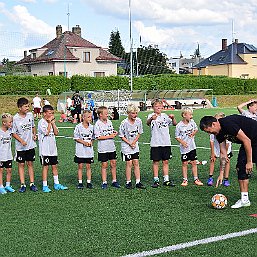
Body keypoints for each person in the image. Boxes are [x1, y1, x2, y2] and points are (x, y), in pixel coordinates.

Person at [200, 114, 257, 209]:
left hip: (253, 139)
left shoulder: (228, 124)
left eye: (209, 131)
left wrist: (249, 162)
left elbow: (247, 140)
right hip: (248, 142)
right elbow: (223, 154)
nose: (210, 134)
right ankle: (245, 200)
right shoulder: (218, 134)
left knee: (244, 164)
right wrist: (221, 173)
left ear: (214, 124)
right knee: (241, 168)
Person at [146, 99, 177, 188]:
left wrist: (172, 118)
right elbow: (147, 123)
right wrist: (152, 118)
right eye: (156, 106)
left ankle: (166, 179)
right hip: (156, 143)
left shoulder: (165, 116)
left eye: (160, 106)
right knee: (156, 161)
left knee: (166, 161)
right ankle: (156, 180)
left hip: (166, 142)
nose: (159, 107)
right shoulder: (151, 115)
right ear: (153, 107)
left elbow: (174, 124)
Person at [38, 105, 68, 193]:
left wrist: (53, 123)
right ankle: (45, 185)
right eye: (49, 113)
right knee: (46, 167)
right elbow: (46, 133)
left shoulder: (51, 122)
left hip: (53, 149)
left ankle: (57, 183)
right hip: (45, 150)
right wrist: (49, 123)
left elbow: (56, 133)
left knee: (54, 166)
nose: (51, 115)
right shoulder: (41, 122)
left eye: (52, 113)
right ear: (44, 114)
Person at [12, 97, 38, 193]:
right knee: (21, 164)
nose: (27, 108)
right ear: (19, 107)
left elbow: (32, 126)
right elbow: (13, 133)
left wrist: (34, 134)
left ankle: (32, 183)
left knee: (30, 164)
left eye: (28, 106)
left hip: (30, 145)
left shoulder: (30, 115)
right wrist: (21, 141)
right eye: (25, 106)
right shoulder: (15, 118)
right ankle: (23, 184)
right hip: (20, 147)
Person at [119, 104, 145, 189]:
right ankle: (128, 182)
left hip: (134, 145)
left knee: (136, 162)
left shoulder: (139, 121)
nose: (135, 115)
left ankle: (138, 182)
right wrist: (130, 143)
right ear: (128, 113)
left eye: (136, 113)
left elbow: (139, 133)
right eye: (133, 113)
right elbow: (122, 136)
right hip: (126, 146)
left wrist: (134, 142)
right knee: (129, 163)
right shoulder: (124, 123)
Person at [175, 107, 203, 186]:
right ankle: (185, 179)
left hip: (192, 147)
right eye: (190, 115)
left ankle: (196, 179)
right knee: (185, 163)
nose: (192, 116)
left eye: (192, 114)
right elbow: (177, 137)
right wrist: (182, 142)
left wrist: (193, 133)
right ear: (184, 115)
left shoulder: (192, 122)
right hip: (184, 149)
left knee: (194, 162)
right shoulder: (179, 126)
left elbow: (196, 129)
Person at [94, 106, 121, 189]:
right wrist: (110, 136)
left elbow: (110, 131)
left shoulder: (109, 122)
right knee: (104, 165)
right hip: (103, 148)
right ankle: (104, 182)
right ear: (100, 115)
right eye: (106, 113)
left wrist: (114, 132)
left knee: (113, 163)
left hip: (111, 147)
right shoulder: (97, 124)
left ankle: (114, 181)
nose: (107, 115)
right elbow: (98, 137)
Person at [207, 112, 232, 187]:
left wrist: (226, 154)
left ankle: (226, 179)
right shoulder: (212, 130)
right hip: (216, 147)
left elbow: (227, 143)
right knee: (212, 160)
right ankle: (210, 178)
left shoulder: (226, 129)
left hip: (226, 148)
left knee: (227, 162)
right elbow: (211, 141)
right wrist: (212, 153)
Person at [74, 110, 94, 189]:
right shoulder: (78, 127)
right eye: (88, 117)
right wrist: (84, 142)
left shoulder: (92, 127)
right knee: (80, 166)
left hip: (89, 151)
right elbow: (76, 138)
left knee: (88, 166)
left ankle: (89, 182)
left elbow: (93, 137)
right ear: (83, 117)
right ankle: (80, 182)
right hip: (80, 150)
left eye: (91, 116)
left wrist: (91, 142)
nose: (90, 118)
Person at [0, 113, 15, 194]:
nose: (11, 124)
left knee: (9, 170)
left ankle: (7, 185)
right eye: (10, 122)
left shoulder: (10, 130)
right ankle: (1, 186)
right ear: (4, 123)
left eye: (11, 122)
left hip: (8, 154)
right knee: (1, 170)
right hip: (1, 155)